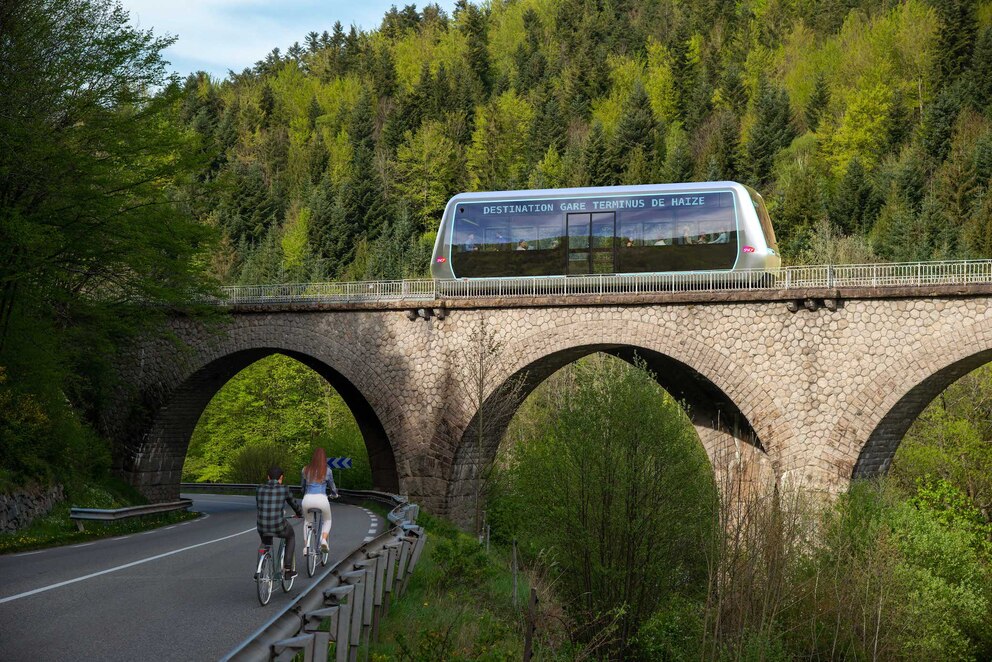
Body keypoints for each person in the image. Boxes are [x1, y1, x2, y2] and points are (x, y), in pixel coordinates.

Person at [256, 465, 303, 579]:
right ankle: (287, 570)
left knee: (265, 542)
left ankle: (258, 571)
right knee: (291, 536)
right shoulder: (284, 489)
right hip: (278, 525)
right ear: (281, 477)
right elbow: (294, 504)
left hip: (261, 526)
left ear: (268, 477)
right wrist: (299, 513)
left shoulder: (259, 489)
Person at [301, 447, 338, 554]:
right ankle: (323, 539)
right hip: (321, 499)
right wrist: (334, 494)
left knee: (307, 522)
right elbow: (332, 486)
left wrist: (305, 494)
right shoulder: (327, 470)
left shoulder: (305, 469)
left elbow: (302, 487)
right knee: (327, 520)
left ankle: (306, 547)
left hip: (307, 499)